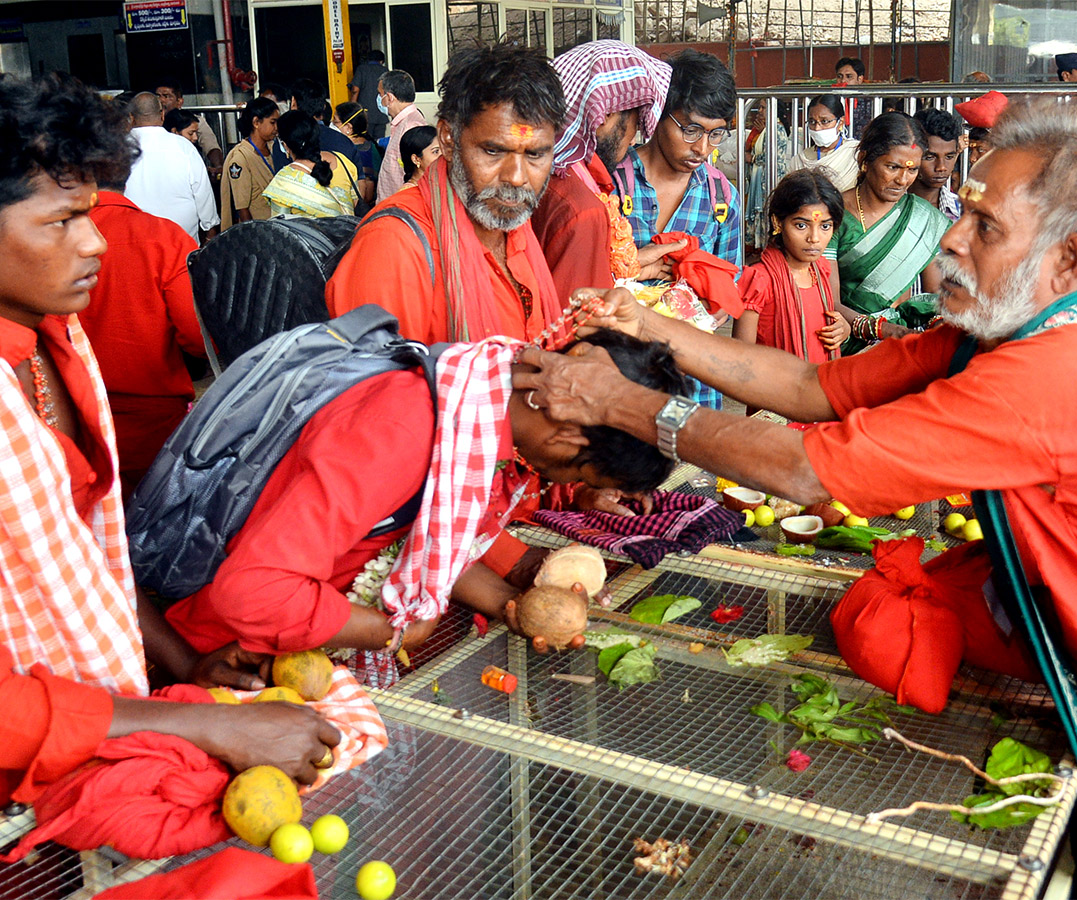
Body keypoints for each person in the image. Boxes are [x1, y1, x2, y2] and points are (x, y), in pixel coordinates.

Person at [514, 98, 1077, 899]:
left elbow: (808, 468)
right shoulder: (1005, 335)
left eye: (985, 228)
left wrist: (624, 405)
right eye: (965, 211)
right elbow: (813, 385)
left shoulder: (1049, 379)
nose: (950, 235)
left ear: (1068, 258)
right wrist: (651, 324)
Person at [0, 75, 338, 799]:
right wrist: (205, 727)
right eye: (62, 222)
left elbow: (87, 552)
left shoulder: (56, 336)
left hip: (105, 726)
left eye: (91, 213)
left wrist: (183, 666)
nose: (94, 242)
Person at [164, 329, 685, 672]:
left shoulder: (472, 404)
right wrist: (393, 632)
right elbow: (253, 591)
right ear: (568, 441)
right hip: (222, 658)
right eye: (588, 475)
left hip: (300, 653)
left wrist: (517, 605)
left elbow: (432, 544)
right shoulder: (402, 431)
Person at [327, 44, 566, 347]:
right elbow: (375, 388)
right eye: (493, 151)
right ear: (449, 140)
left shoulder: (512, 223)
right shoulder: (392, 245)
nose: (517, 178)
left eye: (535, 155)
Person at [611, 48, 743, 409]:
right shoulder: (611, 185)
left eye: (716, 135)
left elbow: (729, 285)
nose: (702, 148)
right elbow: (576, 280)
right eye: (690, 129)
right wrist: (629, 268)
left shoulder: (722, 199)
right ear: (657, 116)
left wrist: (707, 309)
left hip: (693, 379)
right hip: (620, 371)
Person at [76, 152, 205, 499]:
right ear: (125, 175)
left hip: (75, 417)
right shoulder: (165, 237)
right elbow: (197, 335)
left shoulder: (55, 240)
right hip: (156, 420)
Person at [529, 40, 677, 304]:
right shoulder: (580, 207)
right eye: (634, 121)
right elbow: (575, 317)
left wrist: (634, 268)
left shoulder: (544, 173)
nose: (633, 140)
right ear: (605, 113)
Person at [827, 112, 946, 352]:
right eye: (892, 167)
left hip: (901, 345)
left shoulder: (922, 219)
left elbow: (936, 296)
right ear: (865, 159)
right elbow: (828, 301)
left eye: (912, 170)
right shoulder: (833, 216)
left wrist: (940, 323)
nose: (902, 180)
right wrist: (880, 329)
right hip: (844, 342)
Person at [734, 170, 848, 362]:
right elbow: (741, 357)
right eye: (801, 226)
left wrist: (844, 328)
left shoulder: (821, 270)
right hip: (775, 388)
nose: (814, 238)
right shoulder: (759, 279)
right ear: (778, 222)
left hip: (818, 386)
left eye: (825, 226)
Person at [124, 92, 219, 244]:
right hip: (182, 240)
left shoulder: (118, 149)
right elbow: (202, 191)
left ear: (132, 117)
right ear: (162, 114)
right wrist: (210, 227)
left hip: (136, 239)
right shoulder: (184, 147)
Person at [262, 111, 357, 218]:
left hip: (310, 235)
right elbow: (354, 202)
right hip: (348, 233)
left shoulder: (283, 182)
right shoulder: (343, 161)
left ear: (285, 145)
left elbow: (280, 227)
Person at [278, 78, 361, 183]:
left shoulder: (286, 140)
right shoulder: (345, 141)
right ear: (324, 106)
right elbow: (360, 184)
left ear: (293, 102)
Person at [219, 96, 279, 231]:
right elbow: (242, 208)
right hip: (260, 231)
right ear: (256, 122)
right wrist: (252, 236)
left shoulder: (273, 149)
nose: (276, 128)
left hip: (276, 227)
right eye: (272, 122)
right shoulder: (240, 158)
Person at [787, 94, 861, 191]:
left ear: (840, 123)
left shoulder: (855, 153)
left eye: (824, 121)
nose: (817, 128)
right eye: (812, 122)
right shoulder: (799, 161)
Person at [745, 99, 790, 250]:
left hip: (770, 177)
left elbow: (772, 155)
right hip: (761, 176)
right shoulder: (767, 128)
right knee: (761, 212)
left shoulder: (776, 129)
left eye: (763, 108)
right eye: (760, 108)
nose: (760, 111)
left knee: (766, 212)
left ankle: (767, 248)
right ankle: (760, 247)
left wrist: (752, 159)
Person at [376, 69, 427, 199]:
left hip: (402, 206)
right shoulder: (401, 123)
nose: (378, 99)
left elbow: (418, 174)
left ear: (390, 97)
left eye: (380, 94)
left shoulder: (411, 126)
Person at [155, 78, 222, 175]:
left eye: (166, 96)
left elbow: (211, 146)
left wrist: (218, 167)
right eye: (158, 96)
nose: (161, 100)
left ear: (179, 102)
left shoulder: (195, 121)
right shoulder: (151, 123)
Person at [910, 107, 963, 220]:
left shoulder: (963, 211)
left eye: (949, 157)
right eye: (929, 157)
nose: (941, 167)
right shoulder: (892, 208)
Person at [334, 100, 383, 196]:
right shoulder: (365, 145)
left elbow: (367, 191)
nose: (332, 125)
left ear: (348, 128)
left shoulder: (363, 152)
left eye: (335, 122)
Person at [348, 49, 389, 139]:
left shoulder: (362, 69)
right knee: (379, 144)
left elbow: (355, 89)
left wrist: (352, 108)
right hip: (381, 114)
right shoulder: (385, 71)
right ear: (381, 61)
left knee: (365, 141)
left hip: (365, 115)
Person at [834, 57, 872, 139]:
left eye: (849, 76)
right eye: (839, 76)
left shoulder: (869, 102)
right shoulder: (832, 101)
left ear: (859, 79)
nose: (843, 81)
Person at [397, 125, 439, 189]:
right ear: (416, 159)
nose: (443, 155)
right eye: (436, 151)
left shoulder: (435, 184)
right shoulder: (408, 194)